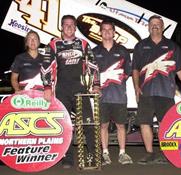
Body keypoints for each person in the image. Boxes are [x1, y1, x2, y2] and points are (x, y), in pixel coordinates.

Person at [132, 15, 181, 165]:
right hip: (146, 92)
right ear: (148, 27)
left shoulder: (172, 46)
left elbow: (179, 70)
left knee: (165, 124)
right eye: (152, 24)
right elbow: (135, 69)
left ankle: (166, 153)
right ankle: (149, 153)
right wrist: (136, 86)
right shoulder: (141, 45)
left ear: (162, 26)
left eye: (157, 24)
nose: (155, 26)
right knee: (145, 123)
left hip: (166, 92)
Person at [41, 15, 100, 168]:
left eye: (71, 25)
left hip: (81, 89)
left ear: (75, 27)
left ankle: (94, 156)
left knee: (88, 123)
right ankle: (67, 158)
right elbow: (45, 66)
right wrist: (47, 87)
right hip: (62, 89)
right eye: (65, 24)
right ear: (61, 27)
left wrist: (96, 84)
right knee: (65, 125)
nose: (68, 27)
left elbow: (93, 65)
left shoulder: (83, 43)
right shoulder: (54, 44)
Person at [93, 20, 133, 165]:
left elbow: (127, 73)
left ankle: (122, 153)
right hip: (101, 96)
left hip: (119, 96)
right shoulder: (94, 51)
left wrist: (114, 82)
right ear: (100, 32)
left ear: (114, 32)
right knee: (102, 125)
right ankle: (105, 153)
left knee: (121, 125)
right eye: (104, 29)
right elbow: (90, 73)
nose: (107, 32)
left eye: (110, 30)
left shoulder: (122, 51)